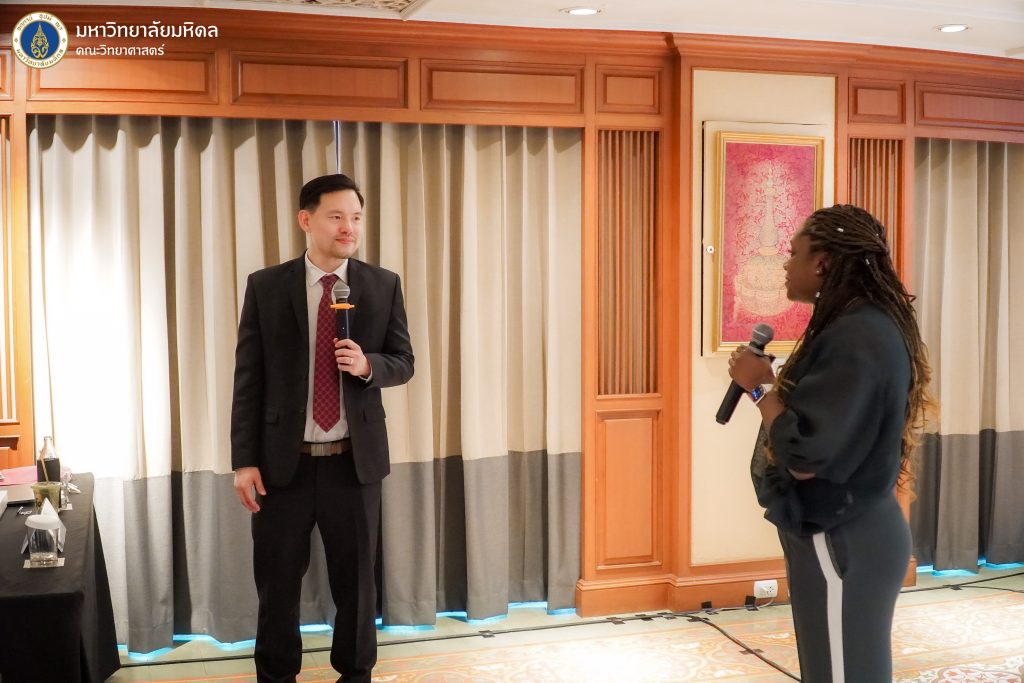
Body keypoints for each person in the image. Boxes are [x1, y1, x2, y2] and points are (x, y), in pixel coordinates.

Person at [728, 204, 934, 682]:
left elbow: (806, 457)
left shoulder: (856, 334)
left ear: (822, 262)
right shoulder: (860, 324)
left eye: (793, 252)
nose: (785, 264)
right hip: (851, 527)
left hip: (844, 535)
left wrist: (759, 389)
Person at [231, 173, 414, 683]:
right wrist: (244, 461)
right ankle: (276, 676)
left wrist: (369, 365)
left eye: (356, 217)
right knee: (277, 587)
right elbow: (248, 379)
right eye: (336, 216)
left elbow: (404, 361)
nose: (348, 227)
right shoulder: (267, 286)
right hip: (281, 467)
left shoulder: (382, 284)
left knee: (357, 589)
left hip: (353, 466)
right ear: (306, 220)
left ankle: (355, 675)